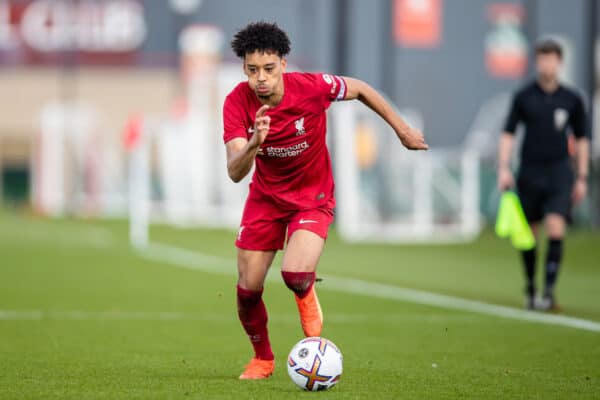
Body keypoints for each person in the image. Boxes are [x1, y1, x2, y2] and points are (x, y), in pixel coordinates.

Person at [222, 21, 427, 379]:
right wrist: (255, 142)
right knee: (247, 289)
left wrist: (402, 129)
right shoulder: (236, 102)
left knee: (295, 273)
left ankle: (305, 292)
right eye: (253, 70)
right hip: (265, 199)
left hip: (311, 196)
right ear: (244, 69)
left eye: (269, 69)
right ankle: (263, 359)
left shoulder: (313, 87)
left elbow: (361, 89)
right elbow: (235, 171)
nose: (261, 79)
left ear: (284, 64)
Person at [497, 39, 589, 311]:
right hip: (530, 171)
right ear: (537, 62)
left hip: (560, 171)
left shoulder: (572, 99)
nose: (547, 64)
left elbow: (582, 139)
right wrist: (504, 167)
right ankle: (530, 287)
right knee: (530, 234)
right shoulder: (524, 96)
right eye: (542, 59)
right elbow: (508, 133)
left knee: (556, 226)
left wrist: (582, 176)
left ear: (559, 63)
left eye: (551, 59)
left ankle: (548, 292)